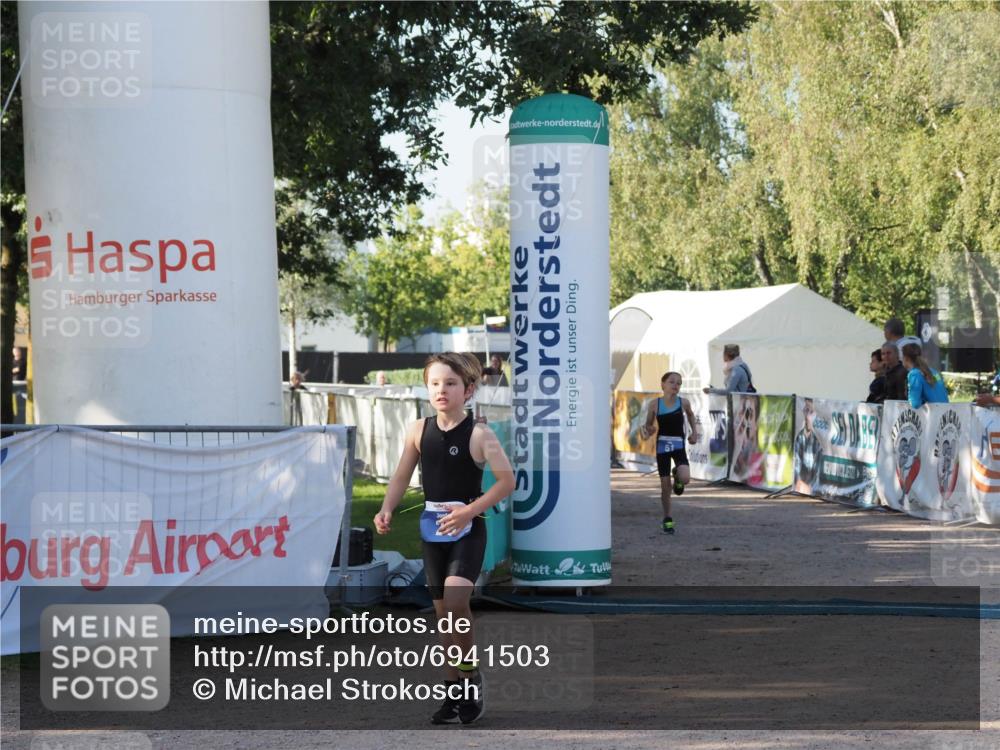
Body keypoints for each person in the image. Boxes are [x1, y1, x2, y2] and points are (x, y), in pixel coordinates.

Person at [374, 352, 514, 725]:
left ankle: (471, 680)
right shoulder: (418, 429)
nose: (441, 390)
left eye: (450, 383)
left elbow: (507, 481)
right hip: (432, 530)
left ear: (468, 389)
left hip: (468, 529)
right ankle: (452, 690)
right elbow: (403, 474)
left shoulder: (481, 434)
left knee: (455, 602)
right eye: (435, 383)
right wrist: (387, 507)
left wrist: (469, 511)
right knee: (443, 617)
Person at [640, 371, 699, 535]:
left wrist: (695, 433)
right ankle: (667, 518)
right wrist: (648, 430)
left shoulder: (683, 403)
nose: (675, 385)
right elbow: (649, 425)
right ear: (663, 385)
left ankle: (678, 477)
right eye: (672, 382)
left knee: (686, 478)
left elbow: (691, 416)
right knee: (665, 487)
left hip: (678, 445)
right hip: (662, 447)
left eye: (679, 383)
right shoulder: (655, 404)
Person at [901, 343, 948, 408]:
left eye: (902, 357)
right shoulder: (935, 373)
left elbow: (915, 403)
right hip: (945, 412)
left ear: (906, 358)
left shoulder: (914, 374)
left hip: (933, 414)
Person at [793, 398, 824, 494]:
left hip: (813, 490)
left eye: (811, 412)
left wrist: (810, 487)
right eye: (806, 411)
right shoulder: (799, 437)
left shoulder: (819, 440)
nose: (807, 415)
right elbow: (796, 467)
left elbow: (818, 473)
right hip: (800, 488)